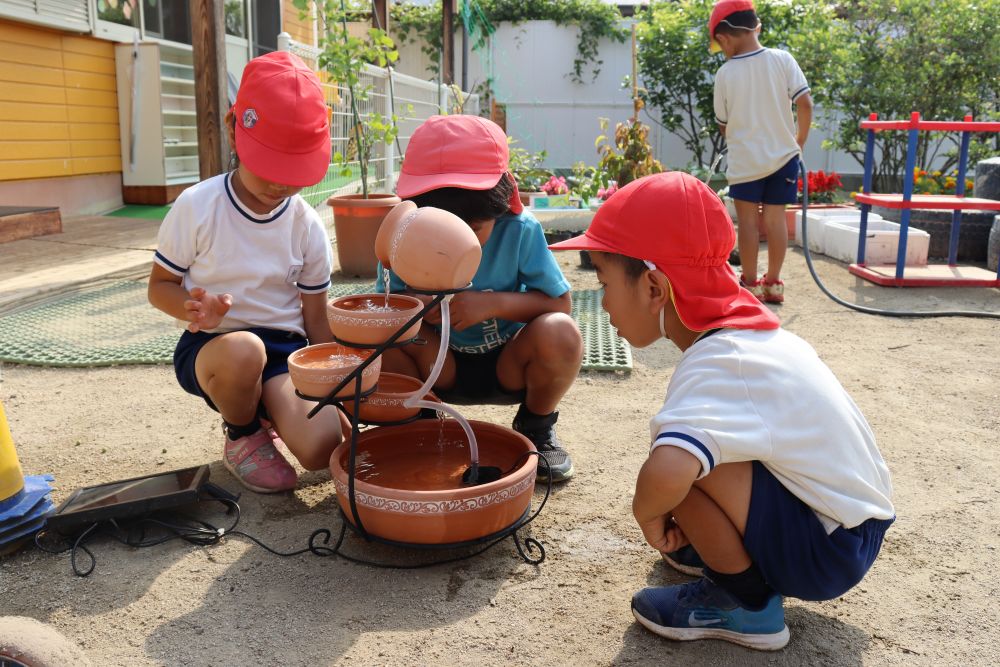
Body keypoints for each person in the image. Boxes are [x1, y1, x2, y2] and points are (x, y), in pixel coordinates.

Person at [549, 172, 894, 650]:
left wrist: (650, 515)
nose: (602, 302)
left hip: (827, 550)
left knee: (677, 468)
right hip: (851, 526)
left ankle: (747, 603)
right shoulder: (752, 337)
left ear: (653, 287)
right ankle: (725, 550)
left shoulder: (720, 361)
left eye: (604, 282)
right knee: (696, 451)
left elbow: (668, 471)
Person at [148, 51, 343, 494]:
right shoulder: (198, 205)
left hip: (283, 353)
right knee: (245, 351)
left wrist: (333, 383)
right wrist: (194, 306)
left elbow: (316, 319)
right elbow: (160, 287)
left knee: (322, 449)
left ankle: (269, 408)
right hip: (215, 348)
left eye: (292, 172)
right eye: (269, 166)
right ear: (236, 132)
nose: (278, 184)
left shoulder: (306, 224)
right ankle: (241, 434)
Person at [376, 115, 583, 483]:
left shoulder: (520, 231)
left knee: (560, 332)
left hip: (509, 361)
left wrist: (493, 304)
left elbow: (559, 305)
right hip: (436, 367)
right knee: (381, 339)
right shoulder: (401, 237)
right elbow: (383, 311)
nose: (461, 242)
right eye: (442, 228)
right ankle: (419, 424)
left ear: (500, 205)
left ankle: (536, 424)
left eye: (474, 230)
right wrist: (418, 308)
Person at [711, 0, 813, 303]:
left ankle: (751, 283)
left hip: (745, 163)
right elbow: (805, 103)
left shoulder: (726, 74)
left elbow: (723, 124)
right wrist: (799, 141)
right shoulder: (783, 59)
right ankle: (774, 283)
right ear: (757, 27)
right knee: (775, 219)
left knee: (748, 223)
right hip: (784, 158)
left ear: (724, 38)